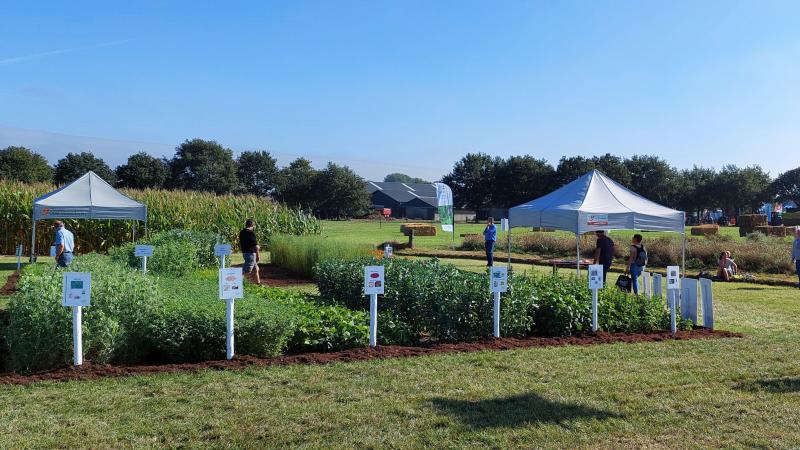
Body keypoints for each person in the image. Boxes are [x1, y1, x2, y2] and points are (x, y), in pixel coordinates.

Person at [239, 219, 260, 284]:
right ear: (252, 225)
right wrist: (258, 255)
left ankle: (258, 283)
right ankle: (238, 282)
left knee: (256, 268)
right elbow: (256, 247)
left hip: (245, 253)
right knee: (246, 270)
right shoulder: (251, 233)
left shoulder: (242, 232)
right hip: (251, 254)